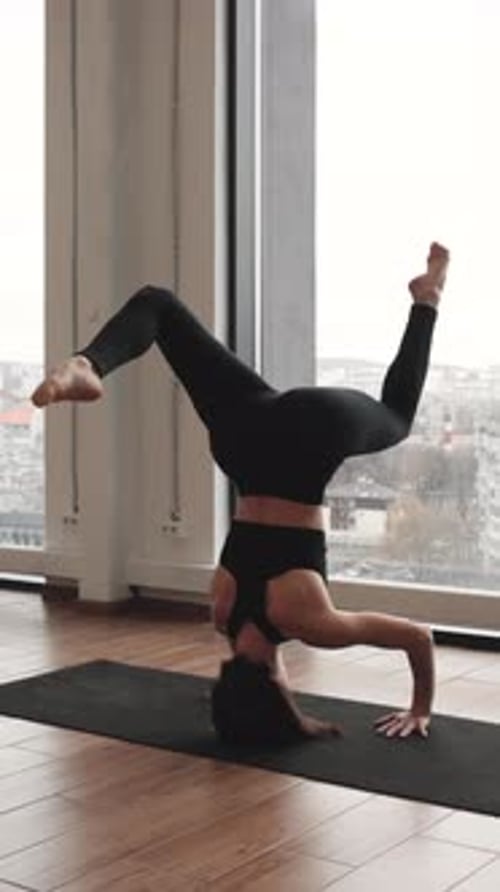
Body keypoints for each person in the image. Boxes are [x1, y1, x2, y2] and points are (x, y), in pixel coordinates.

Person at [32, 242, 449, 745]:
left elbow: (418, 637)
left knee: (397, 415)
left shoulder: (309, 621)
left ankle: (427, 298)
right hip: (244, 434)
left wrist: (420, 709)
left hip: (315, 430)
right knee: (159, 305)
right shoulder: (222, 609)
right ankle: (89, 364)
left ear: (280, 688)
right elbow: (255, 669)